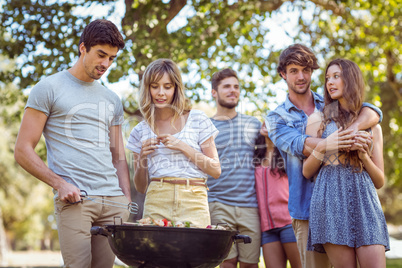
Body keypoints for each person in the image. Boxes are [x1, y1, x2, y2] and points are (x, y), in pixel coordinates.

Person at [14, 19, 131, 267]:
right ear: (82, 48)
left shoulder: (112, 99)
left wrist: (126, 202)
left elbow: (118, 156)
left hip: (113, 203)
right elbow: (22, 150)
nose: (105, 64)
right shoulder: (48, 88)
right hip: (76, 200)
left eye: (112, 58)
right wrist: (59, 184)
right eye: (101, 55)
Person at [265, 44, 383, 268]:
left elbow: (373, 112)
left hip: (350, 201)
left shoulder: (330, 101)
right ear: (283, 74)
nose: (301, 76)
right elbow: (302, 145)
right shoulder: (276, 118)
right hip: (308, 210)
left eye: (306, 70)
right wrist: (342, 142)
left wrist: (354, 128)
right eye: (293, 71)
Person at [303, 58, 389, 268]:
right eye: (327, 78)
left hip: (365, 199)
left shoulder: (372, 125)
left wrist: (363, 157)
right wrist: (324, 146)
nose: (329, 82)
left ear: (351, 79)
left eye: (336, 76)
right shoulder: (317, 120)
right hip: (329, 199)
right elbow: (307, 171)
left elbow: (379, 181)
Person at [126, 58, 220, 228]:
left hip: (194, 201)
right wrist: (142, 157)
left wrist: (182, 146)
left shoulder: (197, 119)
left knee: (194, 254)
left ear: (176, 88)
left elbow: (215, 170)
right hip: (157, 200)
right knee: (155, 254)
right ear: (147, 89)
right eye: (155, 86)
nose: (161, 92)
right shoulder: (140, 131)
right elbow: (140, 187)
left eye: (167, 87)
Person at [208, 68, 261, 268]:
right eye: (227, 86)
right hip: (218, 203)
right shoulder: (206, 126)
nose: (233, 91)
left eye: (236, 87)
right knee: (227, 261)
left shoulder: (253, 124)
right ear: (214, 92)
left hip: (250, 206)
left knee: (251, 263)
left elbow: (266, 160)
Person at [253, 122, 301, 268]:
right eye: (265, 119)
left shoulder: (287, 154)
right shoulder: (256, 156)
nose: (266, 122)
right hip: (267, 227)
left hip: (288, 222)